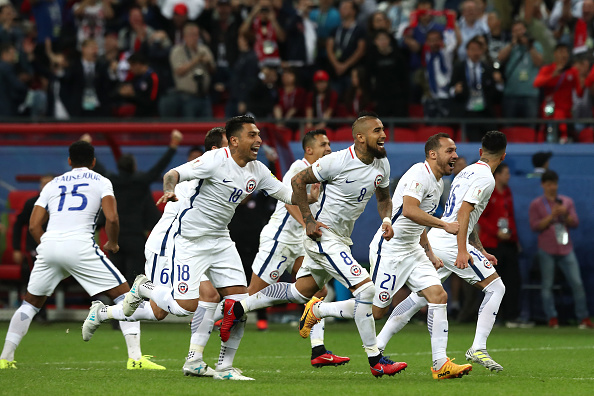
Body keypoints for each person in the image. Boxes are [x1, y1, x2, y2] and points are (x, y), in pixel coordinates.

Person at [83, 115, 304, 381]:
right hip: (181, 240)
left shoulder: (253, 170)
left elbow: (284, 194)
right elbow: (172, 174)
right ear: (229, 143)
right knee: (176, 307)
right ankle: (135, 294)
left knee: (236, 303)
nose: (258, 140)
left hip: (219, 239)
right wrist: (168, 189)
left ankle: (217, 365)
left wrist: (310, 193)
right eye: (252, 135)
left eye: (259, 134)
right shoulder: (210, 163)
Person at [221, 112, 409, 378]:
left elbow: (382, 197)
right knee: (367, 291)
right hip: (324, 237)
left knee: (300, 292)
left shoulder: (382, 164)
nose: (384, 135)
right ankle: (375, 358)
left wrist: (387, 219)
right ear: (360, 137)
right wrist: (308, 221)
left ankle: (239, 307)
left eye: (383, 130)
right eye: (377, 131)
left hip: (342, 237)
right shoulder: (337, 161)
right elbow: (298, 181)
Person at [0, 141, 164, 371]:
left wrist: (48, 248)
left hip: (49, 247)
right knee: (126, 297)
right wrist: (113, 242)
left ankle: (5, 358)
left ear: (69, 161)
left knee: (30, 303)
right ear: (94, 162)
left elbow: (34, 225)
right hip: (80, 246)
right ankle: (135, 358)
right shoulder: (101, 181)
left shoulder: (52, 184)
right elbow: (112, 218)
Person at [368, 133, 474, 379]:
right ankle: (320, 311)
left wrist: (430, 253)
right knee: (375, 311)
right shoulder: (419, 173)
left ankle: (440, 364)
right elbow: (409, 210)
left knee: (438, 296)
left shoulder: (437, 182)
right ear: (432, 154)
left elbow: (416, 224)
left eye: (455, 150)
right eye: (450, 151)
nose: (455, 156)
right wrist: (444, 225)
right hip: (391, 248)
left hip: (413, 249)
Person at [247, 129, 350, 367]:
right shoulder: (298, 168)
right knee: (253, 295)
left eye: (329, 144)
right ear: (309, 150)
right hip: (280, 240)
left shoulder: (323, 174)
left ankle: (319, 350)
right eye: (323, 144)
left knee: (318, 291)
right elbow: (288, 200)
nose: (328, 148)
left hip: (302, 243)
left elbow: (311, 202)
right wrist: (308, 223)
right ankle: (214, 313)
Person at [138, 127, 227, 378]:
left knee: (208, 295)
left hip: (187, 247)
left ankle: (194, 359)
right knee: (163, 310)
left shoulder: (223, 173)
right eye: (227, 147)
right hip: (167, 244)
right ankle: (141, 289)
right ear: (214, 151)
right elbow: (171, 176)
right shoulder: (198, 171)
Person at [89, 130, 182, 284]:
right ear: (133, 167)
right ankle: (134, 307)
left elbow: (98, 167)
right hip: (136, 238)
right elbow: (158, 168)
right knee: (136, 280)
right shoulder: (141, 181)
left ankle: (117, 307)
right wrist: (173, 146)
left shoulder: (111, 181)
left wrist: (88, 145)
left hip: (115, 237)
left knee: (116, 280)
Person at [528, 170, 593, 329]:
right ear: (543, 185)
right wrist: (551, 216)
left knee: (577, 283)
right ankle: (552, 318)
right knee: (547, 285)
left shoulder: (566, 202)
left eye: (555, 184)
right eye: (549, 184)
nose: (552, 187)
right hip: (547, 249)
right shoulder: (536, 204)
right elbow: (535, 226)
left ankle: (583, 317)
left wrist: (565, 215)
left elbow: (575, 222)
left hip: (566, 248)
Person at [478, 163, 523, 327]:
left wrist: (515, 239)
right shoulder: (489, 193)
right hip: (492, 244)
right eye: (506, 173)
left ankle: (511, 316)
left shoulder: (508, 192)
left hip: (508, 243)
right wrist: (495, 232)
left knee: (512, 280)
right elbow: (481, 218)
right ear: (497, 175)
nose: (509, 176)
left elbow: (510, 216)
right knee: (493, 283)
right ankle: (493, 318)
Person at [450, 37, 503, 142]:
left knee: (493, 141)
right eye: (472, 49)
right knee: (475, 141)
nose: (476, 52)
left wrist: (499, 83)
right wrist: (455, 90)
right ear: (467, 51)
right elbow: (451, 89)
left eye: (478, 49)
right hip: (468, 111)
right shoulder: (459, 67)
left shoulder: (487, 68)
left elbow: (495, 93)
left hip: (485, 111)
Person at [159, 23, 215, 119]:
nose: (195, 38)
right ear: (185, 37)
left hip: (204, 96)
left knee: (208, 128)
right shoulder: (177, 51)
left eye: (197, 35)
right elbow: (179, 71)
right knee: (190, 127)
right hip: (187, 97)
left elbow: (213, 70)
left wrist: (208, 63)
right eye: (192, 35)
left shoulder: (204, 49)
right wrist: (196, 60)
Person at [533, 43, 583, 144]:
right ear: (555, 54)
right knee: (544, 128)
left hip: (566, 112)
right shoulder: (547, 69)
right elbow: (536, 83)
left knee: (560, 115)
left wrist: (582, 77)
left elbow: (579, 93)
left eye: (566, 52)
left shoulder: (573, 71)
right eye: (561, 52)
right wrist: (552, 75)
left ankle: (564, 139)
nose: (563, 55)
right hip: (548, 109)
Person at [497, 19, 544, 119]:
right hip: (511, 93)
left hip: (530, 93)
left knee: (530, 127)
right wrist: (512, 44)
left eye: (520, 30)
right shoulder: (510, 46)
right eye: (515, 31)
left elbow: (539, 62)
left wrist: (529, 45)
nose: (519, 33)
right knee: (509, 127)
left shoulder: (535, 45)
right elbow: (500, 57)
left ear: (525, 30)